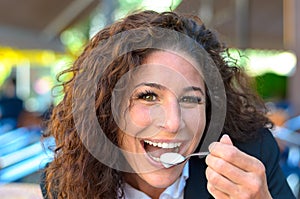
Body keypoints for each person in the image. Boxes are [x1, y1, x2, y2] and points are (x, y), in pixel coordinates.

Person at [41, 10, 295, 199]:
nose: (174, 123)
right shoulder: (67, 182)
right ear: (106, 109)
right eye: (148, 96)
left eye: (191, 98)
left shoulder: (252, 155)